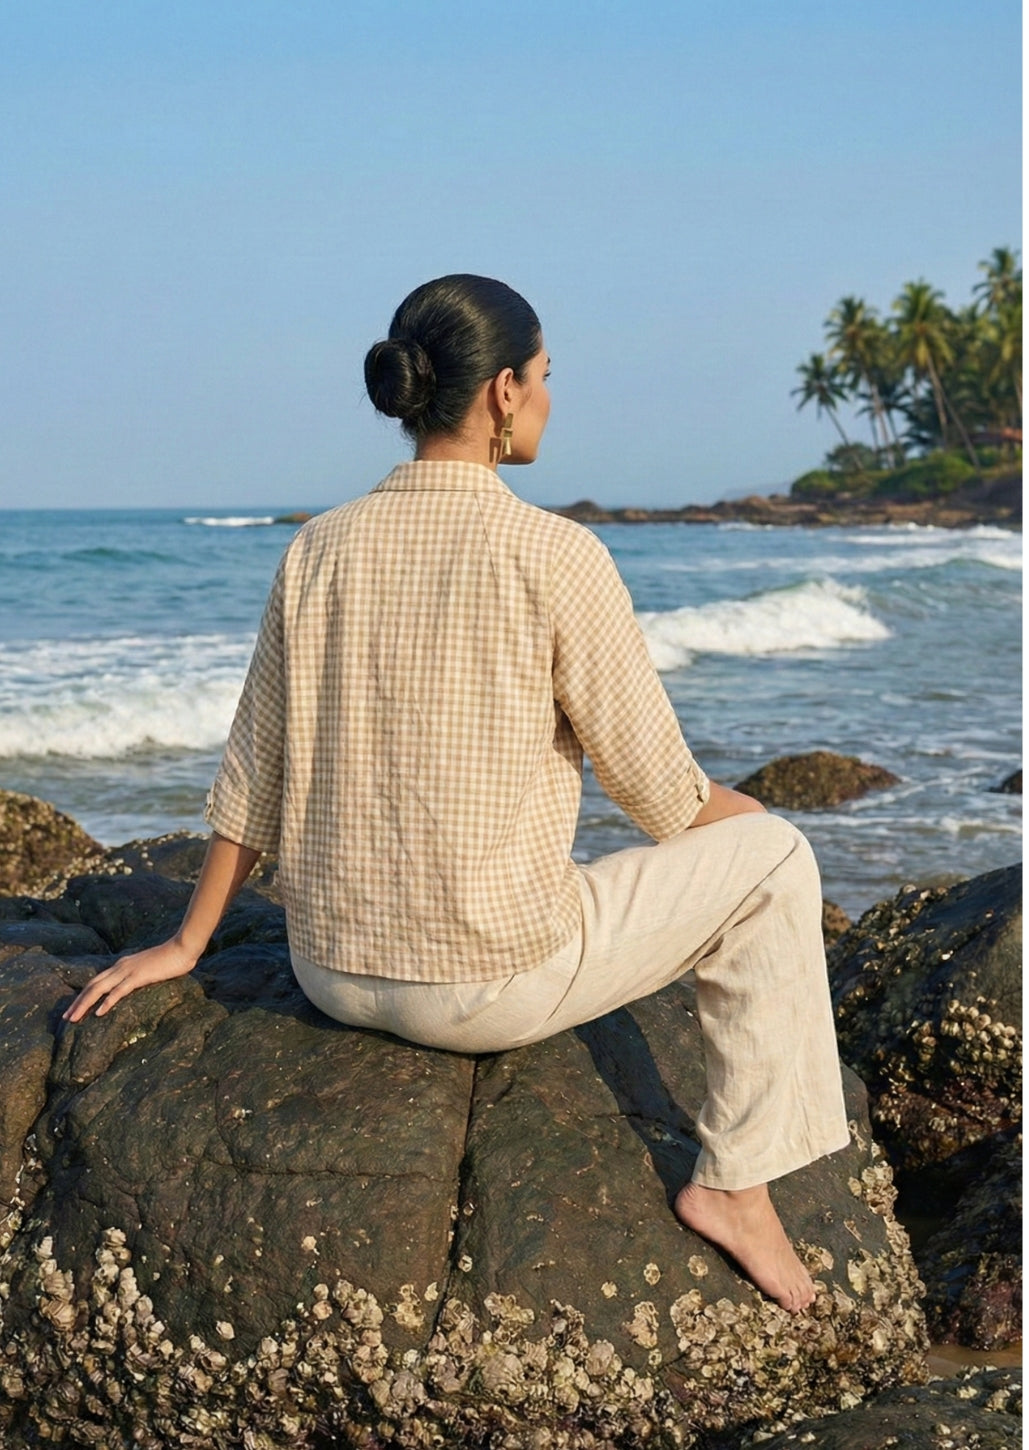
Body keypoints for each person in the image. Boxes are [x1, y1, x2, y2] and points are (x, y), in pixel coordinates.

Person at [64, 274, 850, 1314]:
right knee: (781, 859)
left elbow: (253, 773)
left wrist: (188, 942)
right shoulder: (557, 553)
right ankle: (735, 1189)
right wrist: (766, 840)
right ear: (502, 395)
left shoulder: (318, 547)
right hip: (487, 987)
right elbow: (667, 800)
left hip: (330, 969)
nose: (552, 399)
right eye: (547, 377)